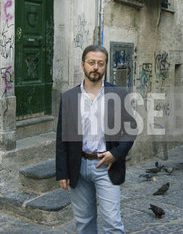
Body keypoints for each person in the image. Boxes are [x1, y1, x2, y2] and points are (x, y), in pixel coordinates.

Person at [56, 44, 136, 234]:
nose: (95, 67)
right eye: (91, 62)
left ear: (105, 66)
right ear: (83, 64)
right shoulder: (69, 98)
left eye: (100, 63)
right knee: (84, 223)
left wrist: (115, 154)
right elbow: (61, 137)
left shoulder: (118, 94)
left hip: (106, 166)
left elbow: (131, 129)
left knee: (113, 224)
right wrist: (62, 172)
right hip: (78, 165)